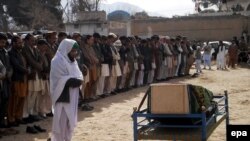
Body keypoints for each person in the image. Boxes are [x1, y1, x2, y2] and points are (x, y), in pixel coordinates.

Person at [50, 39, 83, 141]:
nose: (75, 53)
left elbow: (78, 75)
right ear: (66, 49)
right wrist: (74, 80)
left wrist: (79, 79)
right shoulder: (57, 61)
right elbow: (60, 79)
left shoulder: (73, 61)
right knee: (61, 121)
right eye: (73, 51)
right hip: (62, 95)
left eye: (75, 51)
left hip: (72, 95)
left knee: (69, 121)